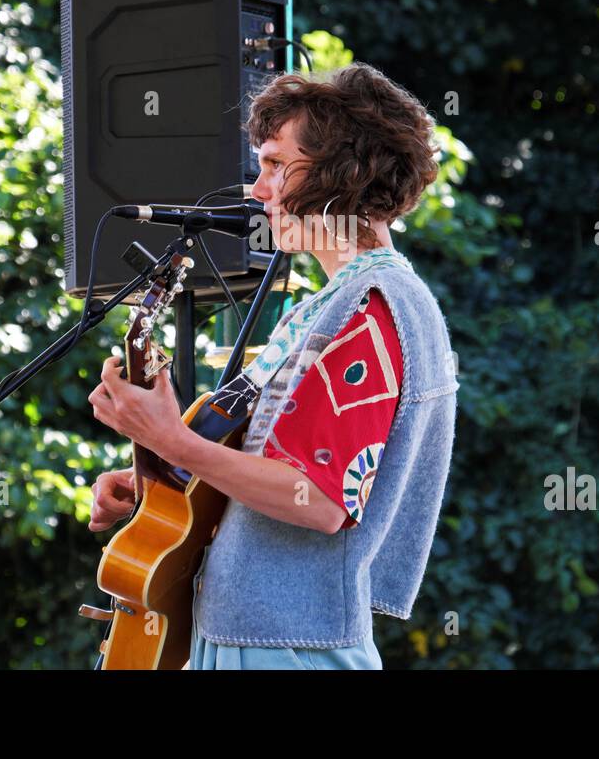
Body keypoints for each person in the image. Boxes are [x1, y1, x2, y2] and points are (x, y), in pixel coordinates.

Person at [87, 63, 459, 669]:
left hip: (287, 648)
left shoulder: (371, 308)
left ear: (344, 174)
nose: (256, 190)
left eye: (275, 165)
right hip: (257, 639)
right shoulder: (330, 306)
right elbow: (273, 473)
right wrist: (157, 496)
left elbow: (317, 500)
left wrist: (172, 441)